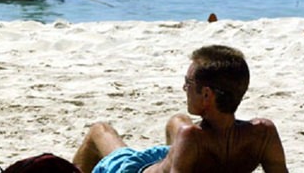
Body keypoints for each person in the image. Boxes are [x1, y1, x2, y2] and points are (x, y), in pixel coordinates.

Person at [71, 45, 288, 173]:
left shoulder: (192, 137)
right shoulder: (263, 133)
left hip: (135, 170)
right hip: (174, 157)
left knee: (99, 131)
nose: (184, 88)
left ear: (206, 94)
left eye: (188, 83)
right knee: (177, 120)